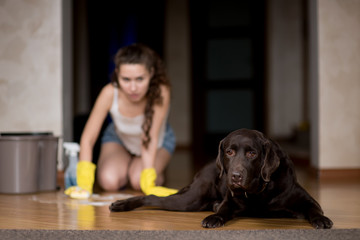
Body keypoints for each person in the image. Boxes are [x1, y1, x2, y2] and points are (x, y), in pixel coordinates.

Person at [65, 43, 178, 199]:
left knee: (139, 181)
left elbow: (149, 137)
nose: (133, 88)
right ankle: (128, 164)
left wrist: (148, 179)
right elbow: (88, 138)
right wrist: (84, 182)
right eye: (126, 79)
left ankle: (149, 171)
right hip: (119, 138)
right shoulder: (109, 92)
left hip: (156, 141)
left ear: (151, 73)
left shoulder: (160, 92)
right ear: (117, 73)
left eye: (140, 79)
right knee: (109, 181)